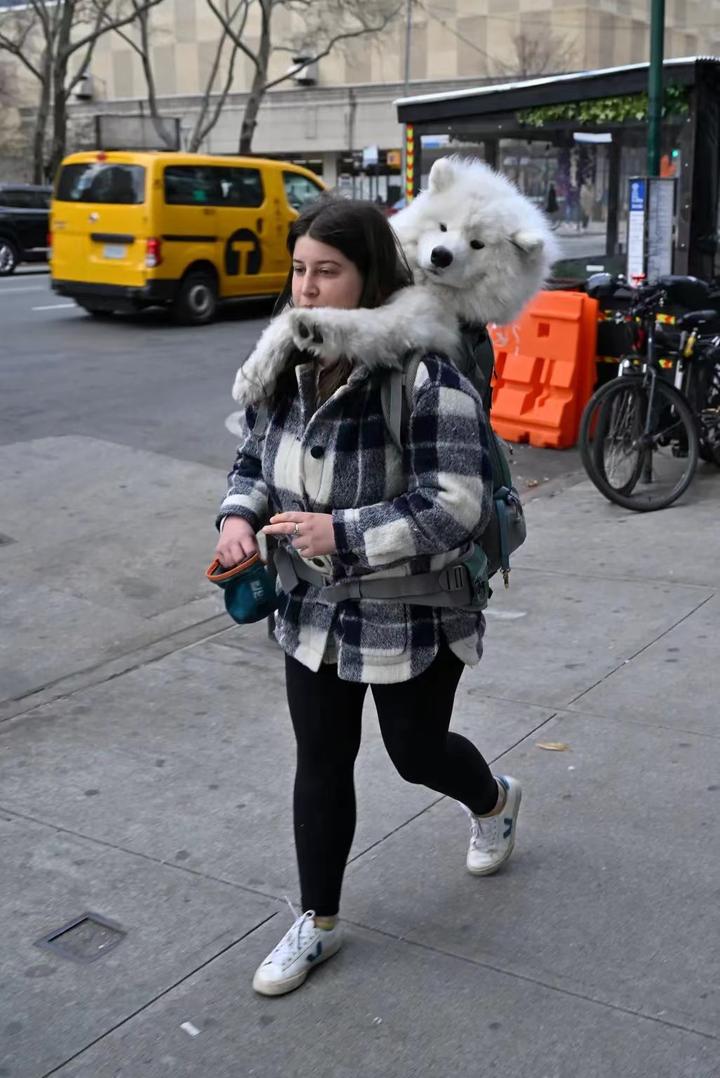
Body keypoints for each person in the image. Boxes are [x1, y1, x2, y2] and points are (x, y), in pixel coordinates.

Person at [214, 197, 522, 998]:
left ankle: (492, 801)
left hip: (414, 610)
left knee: (416, 754)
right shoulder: (291, 359)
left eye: (328, 272)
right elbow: (253, 459)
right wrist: (239, 521)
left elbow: (456, 504)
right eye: (299, 270)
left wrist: (340, 532)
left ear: (371, 276)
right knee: (321, 760)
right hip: (311, 611)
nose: (307, 290)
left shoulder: (427, 373)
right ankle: (317, 922)